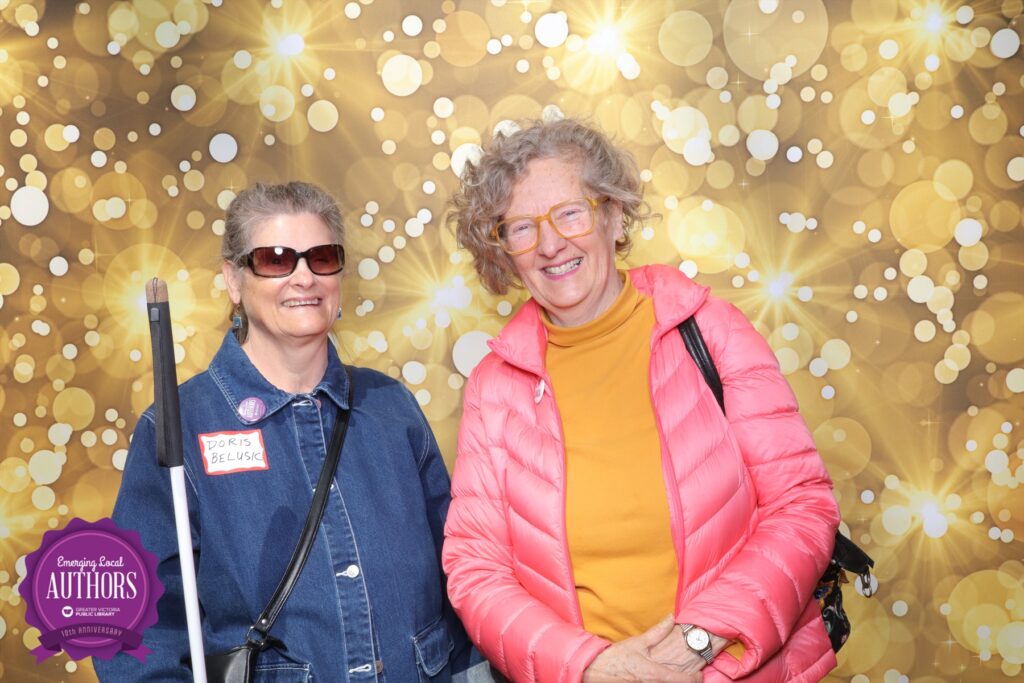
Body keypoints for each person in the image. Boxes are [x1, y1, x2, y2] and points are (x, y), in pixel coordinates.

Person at [442, 119, 841, 683]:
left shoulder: (708, 328)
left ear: (613, 212)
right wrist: (591, 666)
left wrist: (699, 642)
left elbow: (801, 505)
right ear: (503, 251)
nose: (551, 243)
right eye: (522, 228)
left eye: (570, 212)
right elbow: (476, 567)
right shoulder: (494, 384)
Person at [95, 181, 477, 681]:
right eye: (276, 259)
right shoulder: (178, 427)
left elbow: (461, 573)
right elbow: (137, 635)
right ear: (233, 280)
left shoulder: (392, 408)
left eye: (321, 256)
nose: (303, 277)